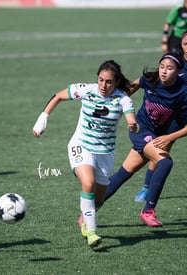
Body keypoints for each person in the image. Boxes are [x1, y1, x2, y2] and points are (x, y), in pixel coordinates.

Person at [32, 60, 138, 248]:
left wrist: (133, 125)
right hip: (81, 146)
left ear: (116, 82)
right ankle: (92, 232)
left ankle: (86, 216)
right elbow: (58, 96)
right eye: (101, 80)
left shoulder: (123, 99)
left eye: (109, 82)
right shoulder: (86, 89)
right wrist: (43, 118)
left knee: (98, 199)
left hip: (105, 153)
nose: (103, 85)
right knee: (87, 183)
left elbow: (131, 118)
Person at [103, 52, 187, 227]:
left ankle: (89, 210)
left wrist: (170, 137)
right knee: (165, 163)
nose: (164, 71)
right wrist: (114, 110)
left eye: (170, 68)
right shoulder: (149, 78)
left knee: (122, 174)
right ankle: (148, 211)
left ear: (179, 71)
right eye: (162, 66)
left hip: (157, 136)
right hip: (140, 130)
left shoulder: (185, 91)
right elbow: (126, 93)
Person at [134, 30, 187, 204]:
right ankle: (146, 188)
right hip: (175, 117)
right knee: (161, 151)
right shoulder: (175, 63)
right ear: (181, 44)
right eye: (185, 44)